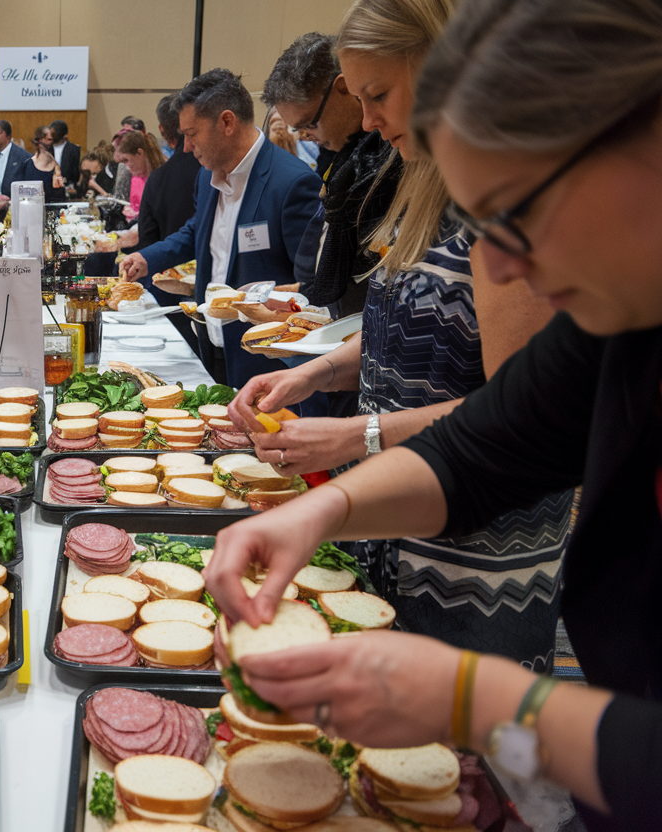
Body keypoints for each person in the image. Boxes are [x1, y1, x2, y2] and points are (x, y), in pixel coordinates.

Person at [207, 0, 662, 825]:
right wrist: (322, 510)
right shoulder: (620, 316)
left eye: (514, 209)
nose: (496, 262)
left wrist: (477, 698)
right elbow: (486, 444)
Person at [224, 0, 573, 668]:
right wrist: (315, 373)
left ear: (443, 63)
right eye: (359, 98)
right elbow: (405, 330)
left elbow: (524, 411)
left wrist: (361, 434)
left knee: (460, 756)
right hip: (396, 525)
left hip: (473, 556)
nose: (371, 121)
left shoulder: (504, 194)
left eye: (379, 95)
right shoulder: (422, 179)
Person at [119, 68, 323, 388]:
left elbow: (314, 289)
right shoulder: (207, 174)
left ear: (227, 123)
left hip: (263, 363)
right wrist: (148, 258)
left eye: (192, 133)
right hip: (211, 346)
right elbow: (197, 231)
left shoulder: (292, 182)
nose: (185, 147)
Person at [262, 31, 399, 317]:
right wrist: (305, 292)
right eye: (297, 130)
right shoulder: (340, 164)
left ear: (344, 88)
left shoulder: (390, 158)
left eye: (309, 124)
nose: (305, 137)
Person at [137, 93, 201, 352]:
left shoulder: (158, 179)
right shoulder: (208, 173)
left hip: (168, 293)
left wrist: (145, 257)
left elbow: (147, 237)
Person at [116, 129, 165, 222]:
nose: (127, 167)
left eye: (126, 160)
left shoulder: (162, 177)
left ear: (140, 153)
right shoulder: (136, 178)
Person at [17, 124, 66, 204]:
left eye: (51, 140)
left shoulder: (56, 167)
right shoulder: (27, 165)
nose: (50, 142)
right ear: (40, 140)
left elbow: (60, 196)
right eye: (48, 139)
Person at [49, 118, 80, 199]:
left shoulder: (73, 149)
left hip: (67, 186)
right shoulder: (47, 148)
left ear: (64, 136)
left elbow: (75, 171)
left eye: (54, 135)